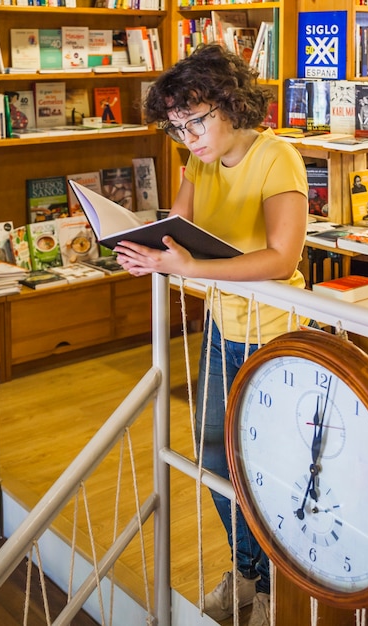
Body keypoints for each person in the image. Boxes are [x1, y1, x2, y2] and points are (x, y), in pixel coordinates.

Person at [113, 44, 309, 626]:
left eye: (196, 120)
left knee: (265, 466)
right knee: (215, 456)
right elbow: (177, 234)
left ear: (230, 104)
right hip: (223, 324)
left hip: (273, 332)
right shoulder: (198, 162)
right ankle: (248, 573)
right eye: (177, 127)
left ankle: (275, 583)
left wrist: (188, 270)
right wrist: (140, 251)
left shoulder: (278, 157)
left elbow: (281, 257)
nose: (189, 135)